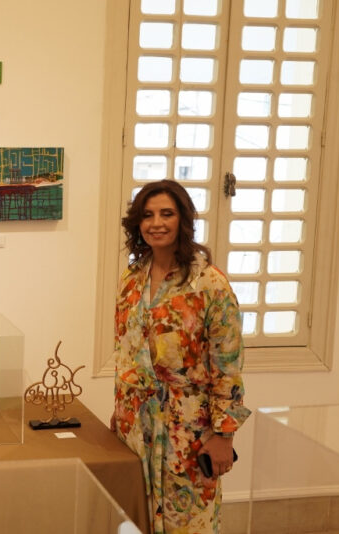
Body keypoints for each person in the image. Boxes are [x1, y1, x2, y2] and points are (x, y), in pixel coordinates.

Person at [110, 179, 251, 533]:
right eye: (148, 215)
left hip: (189, 434)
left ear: (183, 219)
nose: (156, 223)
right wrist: (120, 411)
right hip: (136, 428)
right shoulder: (131, 278)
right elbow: (125, 351)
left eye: (166, 214)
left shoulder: (209, 283)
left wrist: (224, 435)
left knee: (189, 525)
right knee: (134, 521)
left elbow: (228, 366)